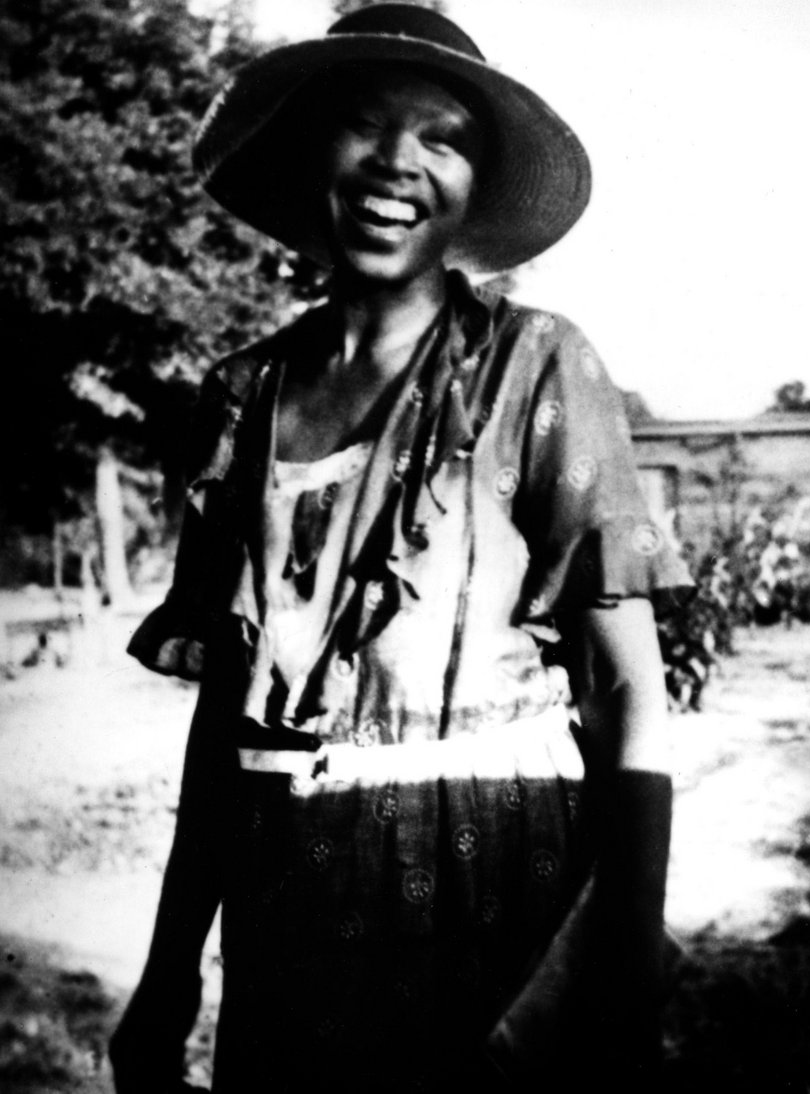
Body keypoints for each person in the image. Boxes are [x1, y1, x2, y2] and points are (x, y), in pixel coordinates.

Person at [109, 5, 693, 1092]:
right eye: (364, 125)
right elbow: (224, 722)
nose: (397, 163)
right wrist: (169, 967)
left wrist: (619, 954)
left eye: (443, 136)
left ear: (475, 181)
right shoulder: (241, 397)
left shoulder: (535, 368)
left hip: (489, 878)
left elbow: (628, 687)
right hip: (289, 906)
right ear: (310, 155)